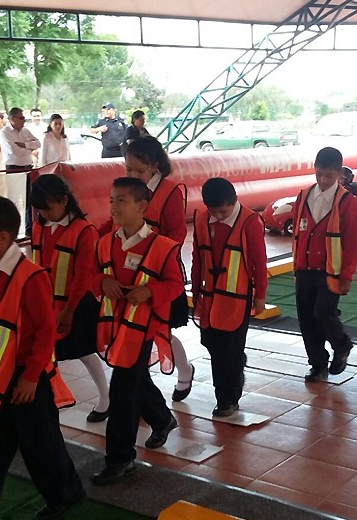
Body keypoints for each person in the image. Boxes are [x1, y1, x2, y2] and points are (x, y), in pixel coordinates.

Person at [0, 195, 85, 520]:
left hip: (27, 380)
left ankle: (65, 495)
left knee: (41, 448)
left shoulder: (31, 276)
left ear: (3, 238)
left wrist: (30, 376)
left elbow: (45, 331)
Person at [89, 177, 182, 486]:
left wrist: (149, 292)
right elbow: (91, 276)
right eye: (112, 200)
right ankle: (162, 418)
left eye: (122, 201)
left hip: (144, 329)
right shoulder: (105, 242)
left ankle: (120, 458)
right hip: (115, 327)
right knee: (135, 379)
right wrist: (103, 283)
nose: (114, 206)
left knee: (123, 390)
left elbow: (175, 285)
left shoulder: (163, 247)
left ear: (142, 206)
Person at [29, 174, 109, 422]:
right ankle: (46, 401)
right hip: (44, 302)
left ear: (64, 200)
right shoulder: (39, 226)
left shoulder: (84, 231)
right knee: (43, 354)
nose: (44, 214)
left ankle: (105, 399)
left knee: (84, 352)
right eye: (39, 210)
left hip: (74, 304)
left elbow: (83, 275)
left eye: (48, 208)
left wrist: (69, 311)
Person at [123, 137, 195, 403]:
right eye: (128, 169)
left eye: (138, 171)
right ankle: (143, 391)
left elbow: (177, 233)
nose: (132, 175)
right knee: (136, 329)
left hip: (160, 272)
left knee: (161, 328)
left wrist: (156, 256)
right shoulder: (128, 189)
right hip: (131, 271)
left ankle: (184, 371)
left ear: (154, 166)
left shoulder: (170, 192)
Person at [191, 178, 268, 416]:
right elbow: (197, 257)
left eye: (223, 211)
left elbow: (259, 261)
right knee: (212, 345)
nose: (218, 215)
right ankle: (231, 376)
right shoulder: (203, 219)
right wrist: (195, 290)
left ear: (234, 202)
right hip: (209, 299)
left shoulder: (250, 222)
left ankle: (227, 398)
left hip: (237, 300)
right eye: (213, 211)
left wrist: (260, 296)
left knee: (230, 351)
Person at [292, 147, 357, 382]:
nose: (322, 180)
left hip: (331, 271)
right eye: (319, 174)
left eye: (328, 176)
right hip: (304, 269)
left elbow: (351, 242)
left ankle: (341, 344)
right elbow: (297, 235)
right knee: (306, 319)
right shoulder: (303, 195)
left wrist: (347, 275)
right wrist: (295, 267)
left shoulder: (346, 201)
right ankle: (317, 364)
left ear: (339, 173)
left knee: (323, 313)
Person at [0, 107, 40, 236]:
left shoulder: (26, 131)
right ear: (12, 119)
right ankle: (13, 231)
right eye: (21, 118)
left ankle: (29, 230)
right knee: (14, 200)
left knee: (30, 199)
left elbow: (38, 143)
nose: (24, 120)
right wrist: (28, 148)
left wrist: (25, 145)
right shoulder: (5, 133)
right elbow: (14, 151)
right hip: (14, 168)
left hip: (28, 167)